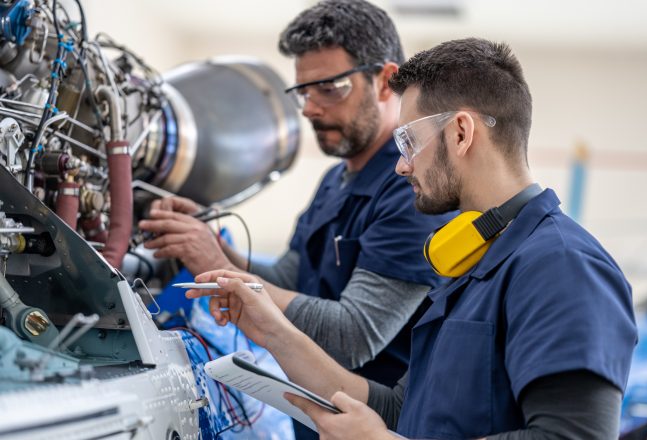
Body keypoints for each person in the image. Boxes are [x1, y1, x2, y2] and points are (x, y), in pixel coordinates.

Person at [186, 37, 638, 439]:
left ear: (461, 133)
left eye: (408, 142)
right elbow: (400, 411)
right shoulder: (473, 264)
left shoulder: (560, 264)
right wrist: (272, 331)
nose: (402, 165)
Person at [138, 1, 451, 436]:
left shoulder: (409, 189)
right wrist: (212, 245)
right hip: (315, 418)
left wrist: (226, 269)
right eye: (304, 92)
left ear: (385, 80)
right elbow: (290, 274)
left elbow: (354, 334)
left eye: (331, 88)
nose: (310, 109)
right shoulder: (335, 180)